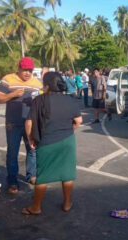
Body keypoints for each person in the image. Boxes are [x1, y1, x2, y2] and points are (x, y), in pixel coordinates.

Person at [23, 72, 82, 215]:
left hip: (46, 141)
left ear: (47, 85)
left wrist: (31, 138)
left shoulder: (39, 100)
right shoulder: (70, 100)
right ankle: (67, 203)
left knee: (43, 175)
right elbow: (78, 121)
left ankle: (36, 207)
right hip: (67, 140)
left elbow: (29, 122)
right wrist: (70, 131)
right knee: (68, 173)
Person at [0, 57, 42, 194]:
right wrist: (13, 94)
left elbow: (41, 101)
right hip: (13, 123)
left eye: (30, 70)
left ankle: (31, 176)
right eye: (25, 70)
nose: (27, 73)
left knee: (32, 150)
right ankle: (12, 181)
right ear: (18, 68)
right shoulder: (8, 79)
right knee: (12, 152)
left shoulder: (36, 82)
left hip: (31, 122)